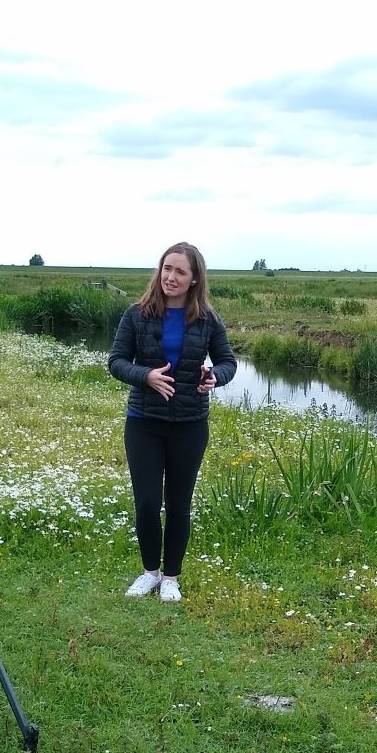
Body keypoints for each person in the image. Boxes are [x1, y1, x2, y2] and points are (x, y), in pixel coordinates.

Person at [107, 242, 236, 603]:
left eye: (180, 271)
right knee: (147, 503)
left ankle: (171, 578)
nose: (171, 277)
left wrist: (215, 377)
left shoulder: (208, 319)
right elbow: (116, 361)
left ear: (195, 278)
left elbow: (227, 362)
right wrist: (145, 375)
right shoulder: (137, 314)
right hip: (144, 422)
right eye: (167, 269)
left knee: (178, 503)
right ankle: (150, 572)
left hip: (190, 424)